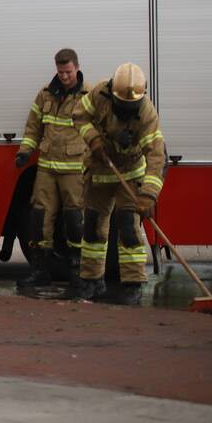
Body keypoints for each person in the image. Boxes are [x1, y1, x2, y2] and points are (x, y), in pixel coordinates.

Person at [71, 62, 165, 306]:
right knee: (92, 226)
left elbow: (156, 156)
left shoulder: (146, 113)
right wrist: (94, 141)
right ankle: (92, 281)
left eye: (130, 107)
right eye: (122, 106)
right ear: (112, 93)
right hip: (101, 170)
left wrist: (148, 195)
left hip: (130, 173)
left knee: (128, 226)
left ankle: (133, 284)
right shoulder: (100, 94)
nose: (126, 110)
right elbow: (79, 115)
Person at [14, 48, 88, 290]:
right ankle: (40, 270)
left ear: (76, 67)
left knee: (75, 220)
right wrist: (25, 151)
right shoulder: (45, 95)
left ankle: (78, 272)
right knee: (39, 218)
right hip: (46, 168)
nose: (64, 76)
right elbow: (33, 127)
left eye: (68, 72)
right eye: (60, 72)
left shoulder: (89, 97)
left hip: (74, 170)